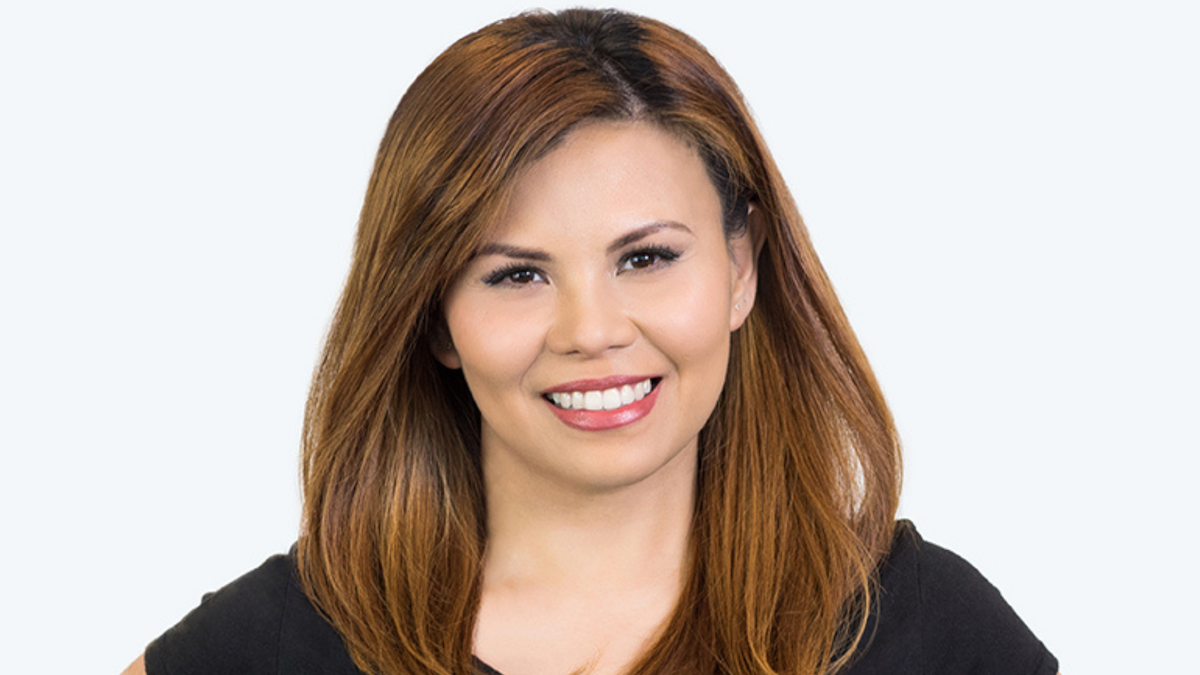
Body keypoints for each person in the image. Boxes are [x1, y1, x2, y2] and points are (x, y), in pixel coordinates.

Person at [123, 8, 1058, 675]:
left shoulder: (930, 633)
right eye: (516, 274)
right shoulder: (277, 646)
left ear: (741, 268)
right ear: (435, 318)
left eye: (646, 257)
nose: (594, 330)